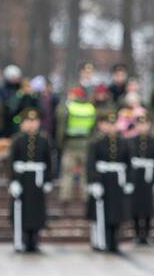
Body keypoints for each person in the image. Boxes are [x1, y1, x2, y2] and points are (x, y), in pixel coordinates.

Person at [86, 110, 132, 253]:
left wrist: (129, 181)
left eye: (113, 124)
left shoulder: (123, 142)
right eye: (107, 124)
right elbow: (91, 163)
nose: (111, 127)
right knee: (101, 213)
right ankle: (100, 241)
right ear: (101, 125)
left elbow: (128, 162)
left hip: (118, 181)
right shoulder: (96, 142)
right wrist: (93, 182)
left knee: (116, 213)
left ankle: (114, 242)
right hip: (102, 180)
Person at [8, 108, 53, 253]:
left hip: (37, 180)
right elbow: (11, 162)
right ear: (22, 124)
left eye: (34, 121)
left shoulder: (44, 140)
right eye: (28, 121)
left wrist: (48, 180)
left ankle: (35, 240)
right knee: (22, 210)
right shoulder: (17, 140)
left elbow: (49, 162)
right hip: (22, 179)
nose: (31, 125)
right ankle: (22, 239)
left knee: (36, 211)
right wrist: (13, 181)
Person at [123, 107, 154, 246]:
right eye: (140, 124)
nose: (143, 126)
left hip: (148, 176)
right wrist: (128, 179)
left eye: (145, 124)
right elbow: (127, 160)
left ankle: (148, 233)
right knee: (136, 206)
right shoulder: (131, 141)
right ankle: (137, 233)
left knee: (148, 206)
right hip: (136, 175)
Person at [56, 87, 95, 204]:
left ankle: (65, 197)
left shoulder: (69, 108)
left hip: (70, 145)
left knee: (67, 173)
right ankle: (86, 197)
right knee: (84, 173)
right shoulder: (90, 108)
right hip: (86, 145)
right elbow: (93, 129)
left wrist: (60, 144)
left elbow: (61, 129)